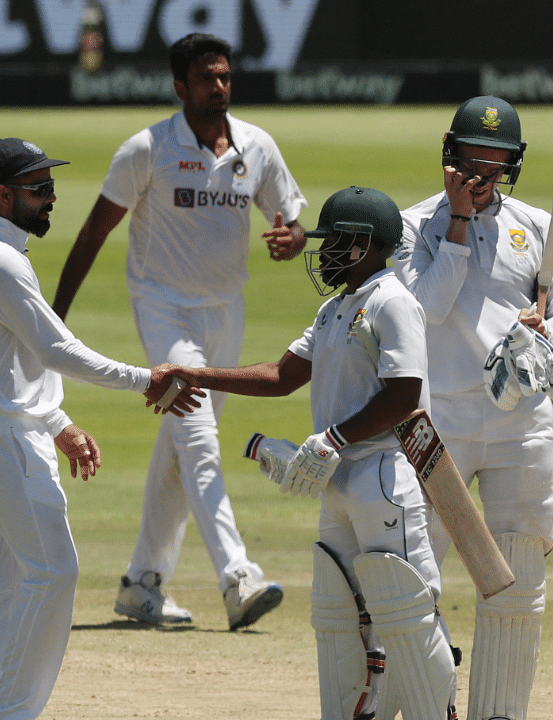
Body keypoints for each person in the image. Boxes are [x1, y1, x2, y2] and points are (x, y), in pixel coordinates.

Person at [164, 187, 458, 720]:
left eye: (333, 240)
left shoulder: (393, 301)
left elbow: (404, 393)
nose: (322, 251)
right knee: (340, 615)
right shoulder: (333, 309)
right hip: (340, 480)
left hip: (385, 474)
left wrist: (334, 438)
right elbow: (281, 377)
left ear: (365, 245)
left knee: (405, 612)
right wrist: (197, 373)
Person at [51, 32, 308, 629]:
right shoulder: (147, 149)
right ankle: (237, 576)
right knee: (198, 440)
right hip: (162, 308)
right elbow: (93, 234)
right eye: (205, 78)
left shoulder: (257, 146)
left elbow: (292, 223)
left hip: (226, 312)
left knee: (179, 449)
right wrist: (54, 320)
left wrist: (288, 241)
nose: (217, 87)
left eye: (223, 77)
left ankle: (143, 584)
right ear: (179, 86)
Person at [0, 137, 197, 720]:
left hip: (6, 427)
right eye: (39, 189)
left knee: (16, 581)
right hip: (5, 435)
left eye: (50, 186)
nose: (52, 198)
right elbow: (58, 349)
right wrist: (147, 379)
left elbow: (7, 358)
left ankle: (6, 711)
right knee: (53, 572)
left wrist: (56, 421)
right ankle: (13, 713)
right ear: (2, 195)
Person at [393, 95, 553, 720]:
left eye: (495, 162)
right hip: (436, 420)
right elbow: (425, 311)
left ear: (514, 164)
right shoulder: (411, 225)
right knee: (413, 573)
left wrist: (542, 336)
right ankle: (428, 706)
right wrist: (454, 224)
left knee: (518, 573)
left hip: (520, 423)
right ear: (449, 156)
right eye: (471, 160)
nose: (481, 173)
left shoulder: (536, 227)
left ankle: (499, 714)